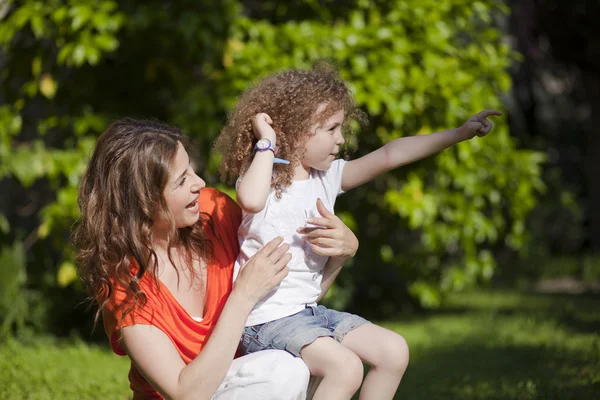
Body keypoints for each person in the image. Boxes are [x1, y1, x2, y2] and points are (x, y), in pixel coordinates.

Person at [214, 64, 502, 399]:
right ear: (294, 130)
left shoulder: (328, 178)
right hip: (265, 320)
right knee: (346, 368)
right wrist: (267, 142)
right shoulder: (263, 176)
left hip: (307, 313)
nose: (341, 139)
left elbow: (392, 154)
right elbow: (248, 200)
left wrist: (459, 133)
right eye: (331, 129)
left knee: (394, 351)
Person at [73, 118, 359, 400]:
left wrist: (338, 258)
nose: (199, 183)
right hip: (198, 392)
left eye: (191, 171)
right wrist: (243, 295)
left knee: (308, 359)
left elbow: (289, 307)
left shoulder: (216, 213)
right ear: (141, 201)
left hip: (246, 386)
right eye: (182, 180)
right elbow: (186, 393)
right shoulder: (126, 284)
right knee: (283, 371)